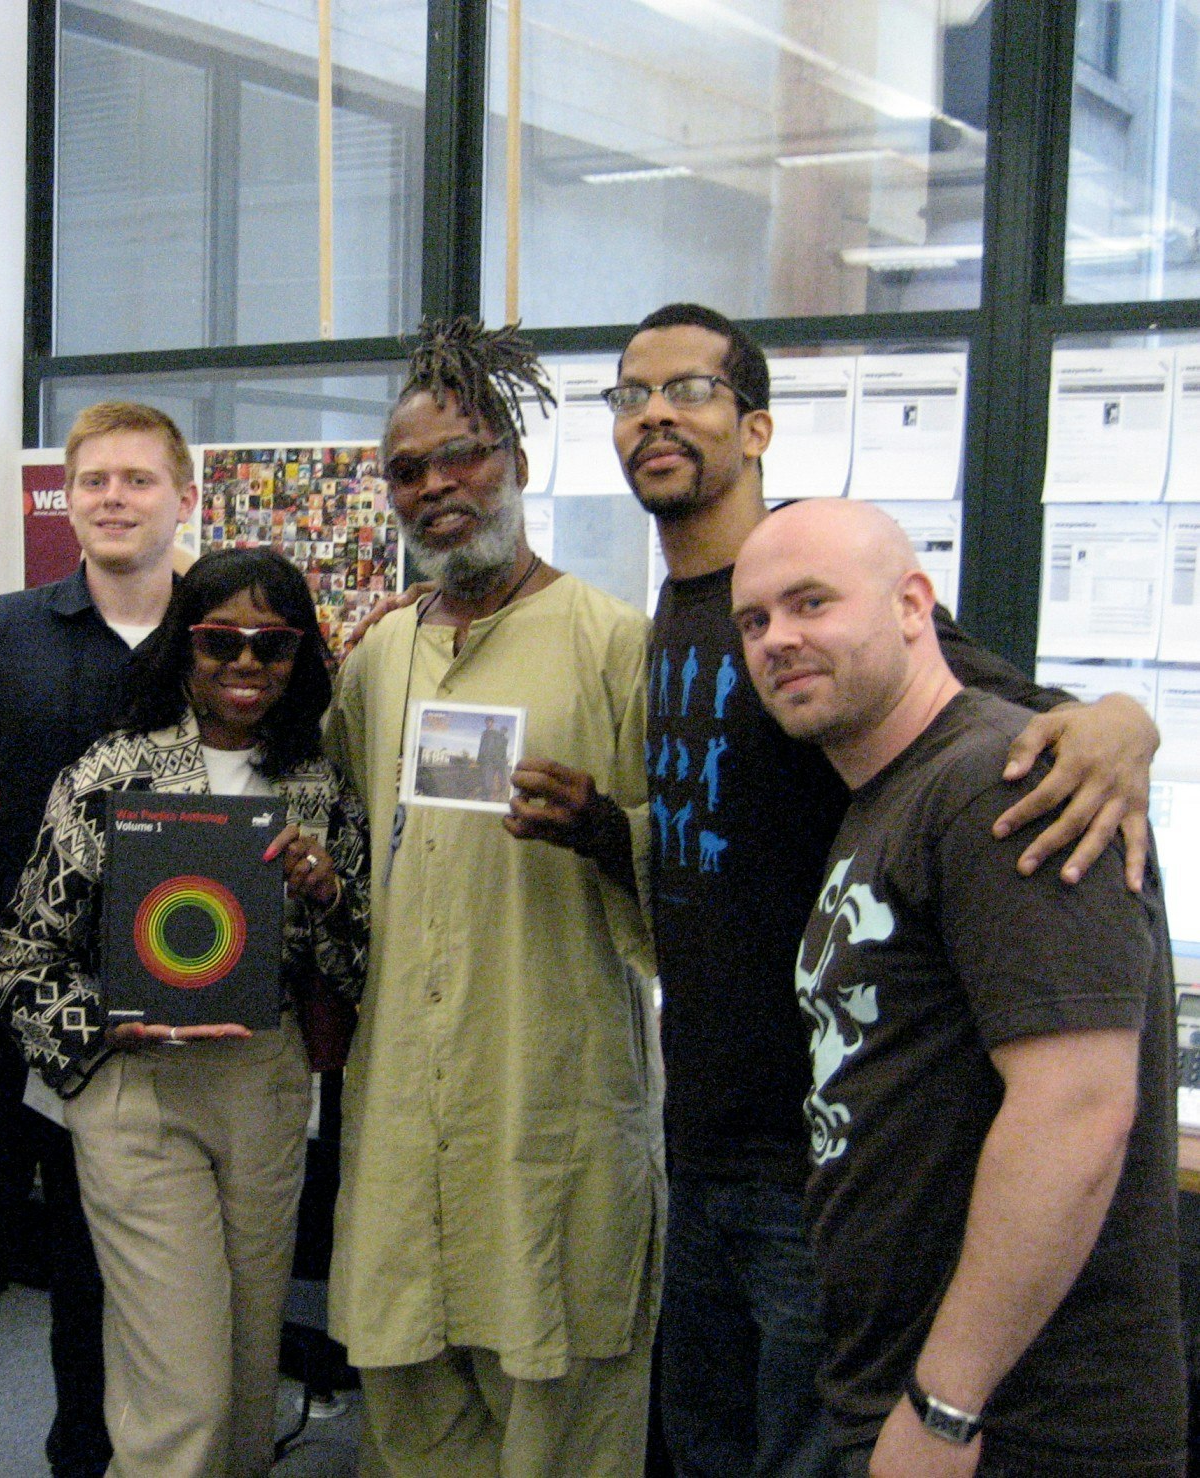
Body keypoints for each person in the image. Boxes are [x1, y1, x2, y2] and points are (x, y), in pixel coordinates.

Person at [611, 302, 1160, 1478]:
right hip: (701, 1142)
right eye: (632, 394)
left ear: (756, 426)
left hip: (816, 1173)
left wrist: (1126, 720)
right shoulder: (684, 615)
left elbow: (1023, 720)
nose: (656, 414)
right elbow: (727, 846)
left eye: (690, 389)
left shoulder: (846, 613)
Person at [730, 498, 1186, 1478]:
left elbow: (1077, 1110)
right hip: (908, 1393)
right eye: (754, 620)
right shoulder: (893, 792)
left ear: (911, 605)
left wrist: (945, 1405)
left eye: (811, 602)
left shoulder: (1001, 783)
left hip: (1021, 1428)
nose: (777, 639)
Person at [325, 319, 659, 1476]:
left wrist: (609, 832)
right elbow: (346, 829)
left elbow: (699, 876)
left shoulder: (614, 644)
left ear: (514, 459)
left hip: (547, 1094)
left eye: (460, 455)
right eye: (407, 470)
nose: (436, 486)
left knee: (563, 1394)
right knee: (410, 1393)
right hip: (403, 1105)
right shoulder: (382, 657)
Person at [0, 547, 370, 1478]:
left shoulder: (319, 786)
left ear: (299, 657)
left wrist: (326, 896)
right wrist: (99, 1025)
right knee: (182, 1397)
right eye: (218, 641)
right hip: (136, 1088)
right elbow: (21, 957)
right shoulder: (109, 775)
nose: (245, 664)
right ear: (182, 648)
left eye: (271, 645)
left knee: (246, 1382)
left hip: (263, 1089)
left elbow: (362, 968)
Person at [0, 400, 197, 1478]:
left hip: (152, 1020)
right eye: (94, 480)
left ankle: (86, 1462)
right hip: (2, 1014)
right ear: (67, 496)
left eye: (138, 480)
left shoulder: (222, 638)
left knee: (110, 1285)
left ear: (184, 498)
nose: (113, 499)